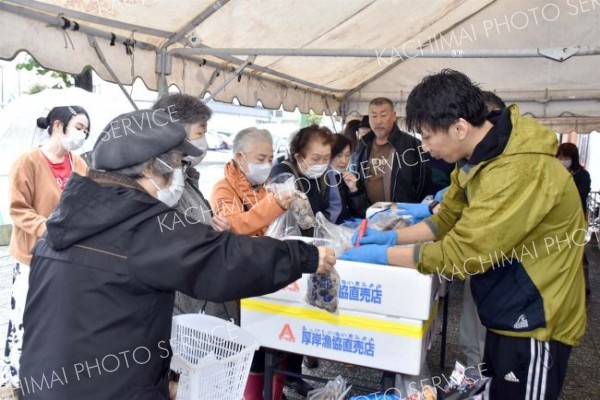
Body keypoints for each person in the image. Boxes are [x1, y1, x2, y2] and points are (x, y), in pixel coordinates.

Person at [19, 109, 336, 400]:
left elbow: (95, 321)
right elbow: (223, 259)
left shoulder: (63, 221)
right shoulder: (142, 225)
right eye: (175, 167)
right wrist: (305, 257)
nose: (177, 178)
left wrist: (160, 379)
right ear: (149, 168)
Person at [344, 70, 586, 400]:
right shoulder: (477, 157)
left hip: (536, 318)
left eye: (428, 137)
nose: (425, 148)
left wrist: (380, 256)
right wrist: (389, 238)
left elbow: (463, 253)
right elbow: (444, 220)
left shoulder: (517, 169)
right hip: (506, 305)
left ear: (460, 127)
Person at [1, 106, 90, 398]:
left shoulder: (79, 163)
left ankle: (49, 375)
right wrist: (47, 228)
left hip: (67, 257)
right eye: (79, 127)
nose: (83, 134)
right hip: (32, 256)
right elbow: (17, 209)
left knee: (58, 317)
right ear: (57, 126)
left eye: (86, 130)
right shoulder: (27, 161)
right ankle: (15, 379)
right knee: (25, 318)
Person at [151, 93, 233, 322]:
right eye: (201, 132)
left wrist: (215, 230)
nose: (204, 140)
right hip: (177, 312)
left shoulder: (184, 178)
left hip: (197, 304)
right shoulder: (162, 185)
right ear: (175, 132)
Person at [268, 124, 335, 396]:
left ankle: (292, 374)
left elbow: (319, 215)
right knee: (282, 319)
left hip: (306, 252)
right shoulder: (283, 174)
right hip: (283, 254)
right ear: (298, 155)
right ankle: (276, 381)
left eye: (326, 158)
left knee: (301, 315)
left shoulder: (317, 175)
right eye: (316, 158)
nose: (322, 164)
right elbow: (304, 218)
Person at [211, 127, 292, 236]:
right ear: (240, 157)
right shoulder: (223, 189)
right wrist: (274, 205)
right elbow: (232, 225)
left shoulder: (264, 188)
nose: (267, 165)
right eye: (261, 159)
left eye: (270, 160)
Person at [355, 98, 431, 205]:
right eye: (374, 116)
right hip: (368, 214)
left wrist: (411, 207)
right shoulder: (363, 144)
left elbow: (424, 182)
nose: (378, 121)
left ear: (394, 116)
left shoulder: (412, 144)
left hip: (402, 214)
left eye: (383, 115)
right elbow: (358, 181)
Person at [557, 142, 592, 297]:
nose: (562, 160)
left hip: (578, 220)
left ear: (573, 158)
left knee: (579, 252)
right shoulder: (557, 173)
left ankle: (584, 285)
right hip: (561, 221)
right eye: (559, 157)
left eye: (565, 157)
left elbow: (581, 194)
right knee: (562, 253)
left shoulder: (582, 175)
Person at [328, 134, 369, 223]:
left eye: (347, 155)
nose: (344, 160)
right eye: (339, 155)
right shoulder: (323, 180)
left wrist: (354, 190)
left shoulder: (351, 178)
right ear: (329, 155)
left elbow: (363, 213)